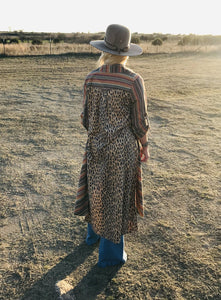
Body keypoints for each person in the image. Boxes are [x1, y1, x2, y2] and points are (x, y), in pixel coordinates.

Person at [74, 24, 150, 268]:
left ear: (104, 49)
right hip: (123, 151)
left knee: (96, 190)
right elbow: (140, 123)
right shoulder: (134, 81)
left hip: (95, 146)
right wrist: (144, 146)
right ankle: (110, 257)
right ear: (126, 52)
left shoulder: (91, 78)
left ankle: (92, 236)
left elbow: (85, 118)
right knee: (116, 198)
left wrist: (99, 132)